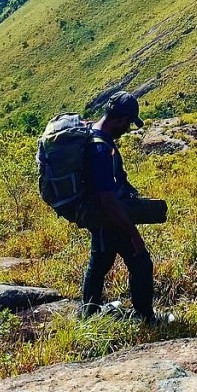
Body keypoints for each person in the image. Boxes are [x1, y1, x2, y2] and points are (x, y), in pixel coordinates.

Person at [79, 91, 156, 321]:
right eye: (129, 124)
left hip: (106, 216)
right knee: (139, 262)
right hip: (108, 218)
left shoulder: (95, 135)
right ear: (121, 120)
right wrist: (133, 234)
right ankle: (145, 318)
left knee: (100, 264)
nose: (128, 129)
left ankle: (88, 315)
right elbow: (107, 198)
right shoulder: (100, 149)